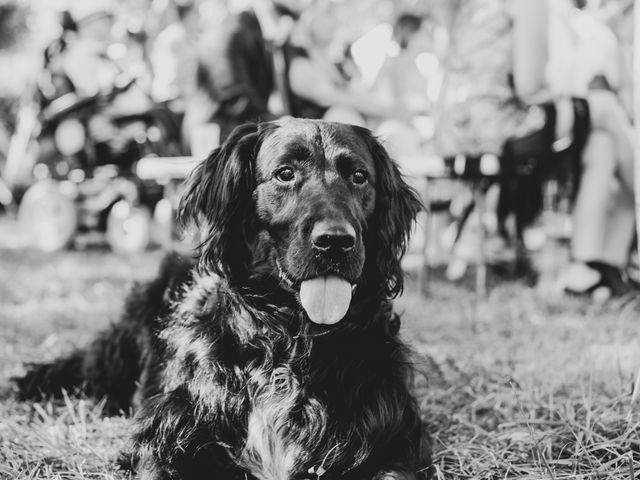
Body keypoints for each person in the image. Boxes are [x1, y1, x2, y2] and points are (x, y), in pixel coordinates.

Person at [434, 0, 637, 297]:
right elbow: (530, 86)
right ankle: (602, 259)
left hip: (453, 131)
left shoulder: (475, 6)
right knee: (604, 109)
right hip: (497, 127)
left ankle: (590, 269)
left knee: (601, 144)